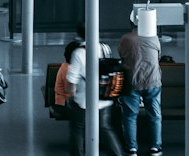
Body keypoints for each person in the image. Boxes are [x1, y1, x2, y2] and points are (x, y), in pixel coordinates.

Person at [67, 29, 123, 156]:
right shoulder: (105, 48)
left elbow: (72, 80)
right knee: (104, 128)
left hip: (84, 99)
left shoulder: (78, 53)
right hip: (104, 96)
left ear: (79, 35)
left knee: (77, 129)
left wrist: (70, 96)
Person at [118, 17, 162, 156]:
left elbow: (122, 56)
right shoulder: (154, 38)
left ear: (131, 23)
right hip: (152, 81)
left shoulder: (126, 39)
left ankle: (132, 148)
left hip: (132, 81)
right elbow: (158, 56)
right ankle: (155, 147)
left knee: (130, 116)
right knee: (155, 115)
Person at [55, 40, 80, 118]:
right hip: (64, 104)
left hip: (67, 101)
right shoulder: (68, 69)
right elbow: (71, 91)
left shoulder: (67, 66)